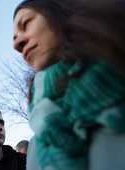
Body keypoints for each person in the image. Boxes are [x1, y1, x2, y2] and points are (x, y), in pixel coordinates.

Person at [13, 0, 125, 170]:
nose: (16, 44)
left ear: (60, 14)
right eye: (14, 37)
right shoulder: (40, 138)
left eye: (26, 23)